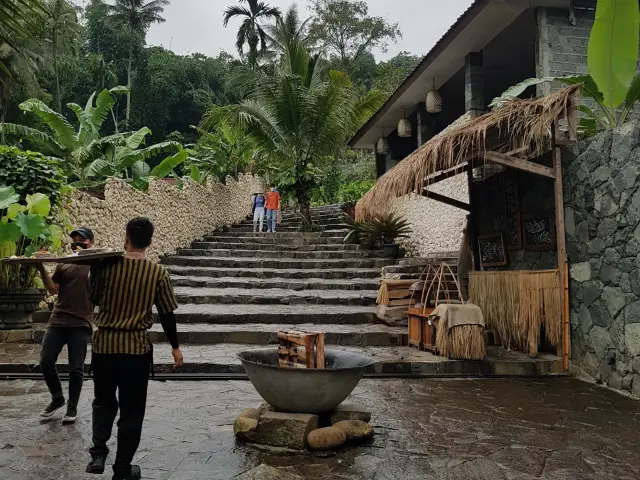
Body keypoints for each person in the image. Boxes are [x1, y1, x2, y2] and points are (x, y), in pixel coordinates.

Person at [86, 217, 183, 480]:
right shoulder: (157, 273)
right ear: (149, 242)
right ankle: (122, 468)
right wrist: (175, 347)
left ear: (125, 238)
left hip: (104, 346)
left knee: (103, 402)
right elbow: (166, 313)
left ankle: (98, 453)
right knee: (132, 410)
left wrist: (94, 269)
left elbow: (92, 298)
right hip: (135, 350)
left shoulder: (106, 266)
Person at [37, 227, 95, 424]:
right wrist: (40, 267)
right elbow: (53, 289)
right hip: (58, 319)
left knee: (76, 368)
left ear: (91, 243)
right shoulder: (64, 263)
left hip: (80, 322)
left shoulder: (96, 264)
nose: (77, 242)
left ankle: (72, 407)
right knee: (45, 360)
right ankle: (57, 398)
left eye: (82, 239)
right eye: (75, 239)